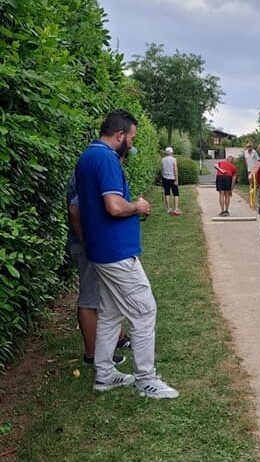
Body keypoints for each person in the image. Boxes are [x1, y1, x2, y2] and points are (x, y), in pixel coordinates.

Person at [75, 109, 178, 399]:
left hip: (102, 251)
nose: (131, 144)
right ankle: (146, 379)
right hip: (115, 253)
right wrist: (138, 207)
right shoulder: (106, 159)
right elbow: (114, 206)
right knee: (144, 310)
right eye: (131, 138)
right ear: (120, 135)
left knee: (110, 313)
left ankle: (105, 375)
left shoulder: (88, 156)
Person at [66, 174, 131, 367]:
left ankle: (117, 338)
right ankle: (93, 354)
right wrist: (86, 242)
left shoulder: (92, 168)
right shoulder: (92, 170)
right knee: (90, 298)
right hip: (89, 247)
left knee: (107, 292)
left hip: (96, 245)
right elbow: (74, 208)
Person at [161, 146, 181, 215]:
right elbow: (175, 169)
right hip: (172, 178)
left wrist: (162, 177)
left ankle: (168, 209)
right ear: (172, 152)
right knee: (176, 194)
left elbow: (162, 169)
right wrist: (177, 180)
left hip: (165, 178)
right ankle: (176, 208)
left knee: (167, 193)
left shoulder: (162, 160)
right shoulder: (174, 159)